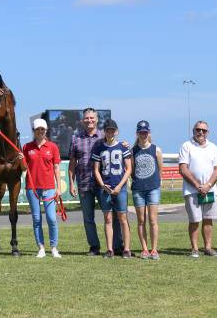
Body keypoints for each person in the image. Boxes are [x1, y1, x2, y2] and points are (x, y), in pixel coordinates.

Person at [69, 107, 123, 256]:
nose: (89, 120)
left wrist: (125, 144)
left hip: (104, 184)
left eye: (92, 118)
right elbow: (73, 162)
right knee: (88, 218)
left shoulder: (104, 136)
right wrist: (71, 183)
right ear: (82, 120)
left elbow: (117, 146)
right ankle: (94, 247)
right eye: (86, 118)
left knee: (113, 216)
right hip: (85, 183)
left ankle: (117, 246)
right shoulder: (76, 138)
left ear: (97, 120)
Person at [179, 121, 217, 258]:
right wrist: (197, 185)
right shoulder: (187, 146)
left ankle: (208, 247)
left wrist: (208, 185)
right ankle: (195, 249)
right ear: (194, 130)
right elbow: (183, 168)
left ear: (207, 132)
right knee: (194, 220)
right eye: (198, 130)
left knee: (208, 219)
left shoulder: (213, 147)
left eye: (204, 130)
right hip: (192, 191)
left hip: (210, 190)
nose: (201, 132)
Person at [91, 119, 133, 259]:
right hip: (105, 188)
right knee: (107, 218)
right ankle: (109, 249)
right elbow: (96, 169)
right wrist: (102, 184)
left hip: (119, 187)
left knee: (123, 218)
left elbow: (128, 169)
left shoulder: (122, 147)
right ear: (104, 131)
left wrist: (120, 186)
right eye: (108, 130)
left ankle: (126, 248)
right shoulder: (99, 147)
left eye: (112, 130)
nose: (110, 132)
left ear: (117, 131)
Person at [23, 118, 62, 258]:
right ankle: (41, 247)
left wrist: (58, 187)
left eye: (43, 129)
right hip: (32, 188)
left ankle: (54, 247)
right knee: (36, 219)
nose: (40, 132)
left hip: (49, 187)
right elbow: (23, 167)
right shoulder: (26, 147)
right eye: (37, 129)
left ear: (46, 131)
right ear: (34, 131)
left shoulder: (53, 147)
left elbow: (56, 168)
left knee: (51, 218)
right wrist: (20, 158)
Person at [131, 120, 163, 260]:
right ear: (137, 133)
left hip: (153, 188)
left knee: (153, 219)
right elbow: (131, 170)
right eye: (141, 132)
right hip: (138, 188)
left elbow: (160, 169)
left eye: (145, 132)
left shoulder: (156, 149)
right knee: (141, 220)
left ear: (148, 133)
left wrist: (156, 182)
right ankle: (144, 249)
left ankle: (154, 249)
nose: (143, 134)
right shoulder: (133, 151)